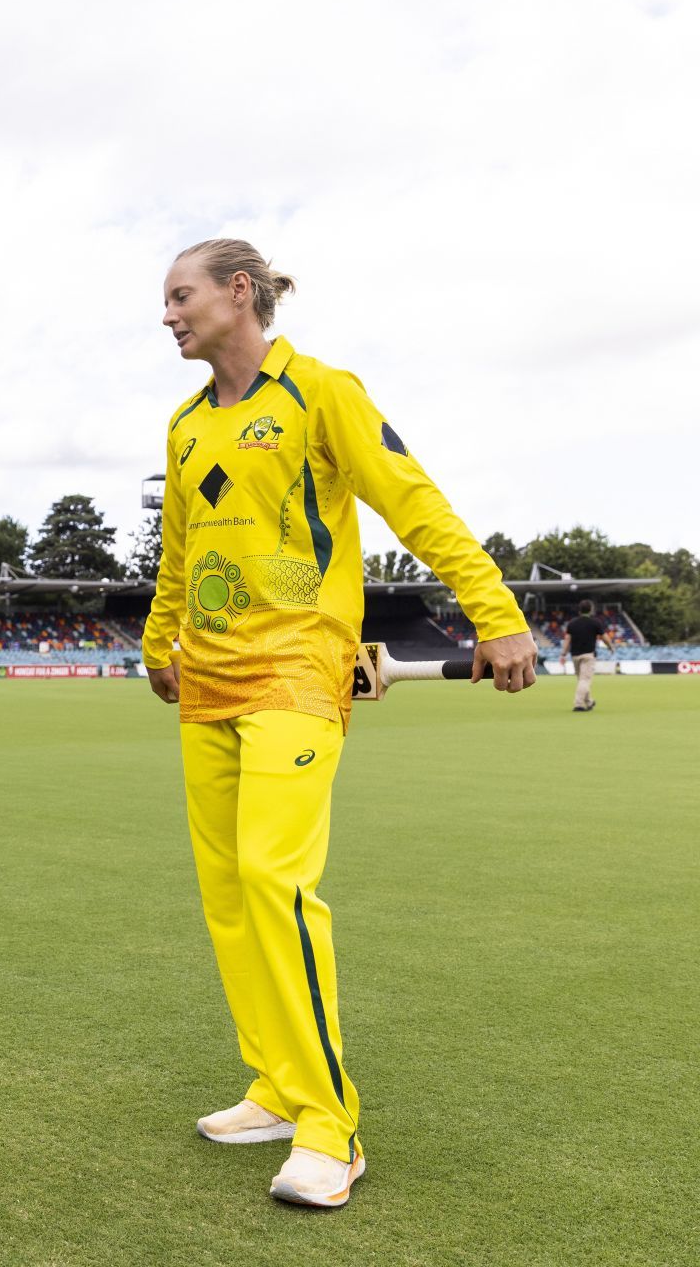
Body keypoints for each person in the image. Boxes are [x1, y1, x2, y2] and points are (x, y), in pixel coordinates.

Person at [143, 240, 537, 1207]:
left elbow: (413, 502)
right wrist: (161, 642)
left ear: (242, 293)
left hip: (299, 674)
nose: (167, 315)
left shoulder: (322, 391)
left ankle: (330, 1126)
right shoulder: (186, 426)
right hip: (208, 683)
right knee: (231, 897)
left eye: (180, 295)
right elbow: (180, 546)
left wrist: (496, 612)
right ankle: (276, 1088)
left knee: (277, 883)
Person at [560, 599, 617, 711]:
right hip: (588, 655)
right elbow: (604, 637)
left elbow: (567, 639)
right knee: (585, 680)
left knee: (582, 680)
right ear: (591, 609)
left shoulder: (572, 623)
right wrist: (611, 647)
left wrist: (563, 653)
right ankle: (578, 704)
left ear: (579, 610)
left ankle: (589, 701)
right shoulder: (595, 622)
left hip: (575, 655)